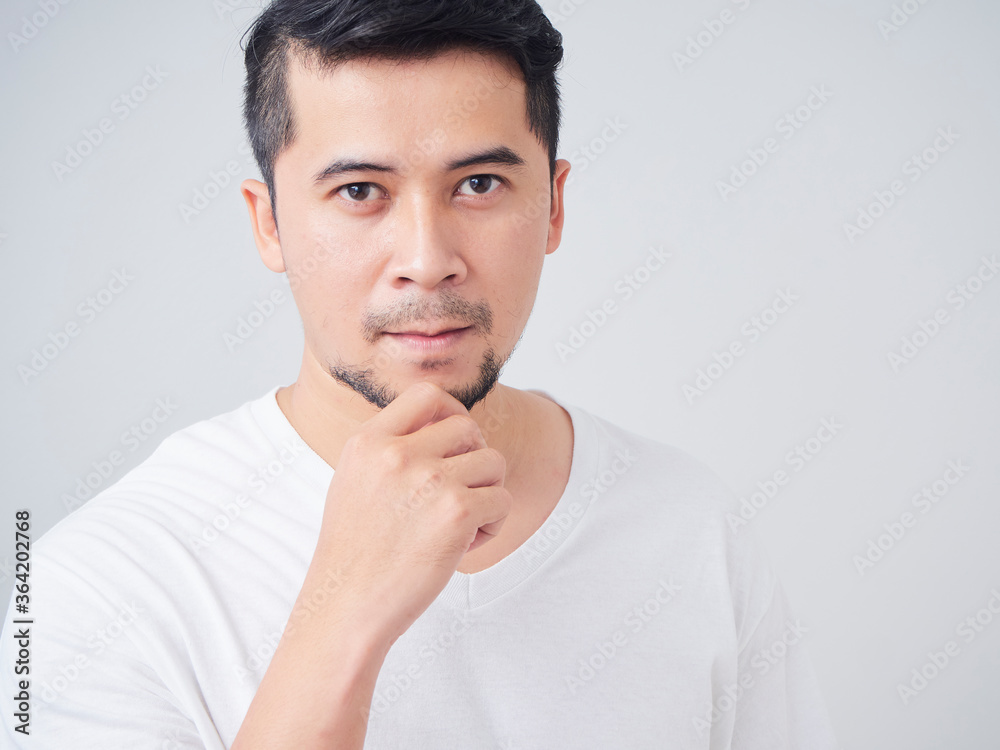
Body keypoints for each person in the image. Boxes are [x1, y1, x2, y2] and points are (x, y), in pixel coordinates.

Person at [1, 0, 838, 747]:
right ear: (270, 225)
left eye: (479, 183)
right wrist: (344, 610)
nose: (428, 260)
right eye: (360, 191)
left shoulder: (688, 526)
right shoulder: (98, 588)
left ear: (553, 204)